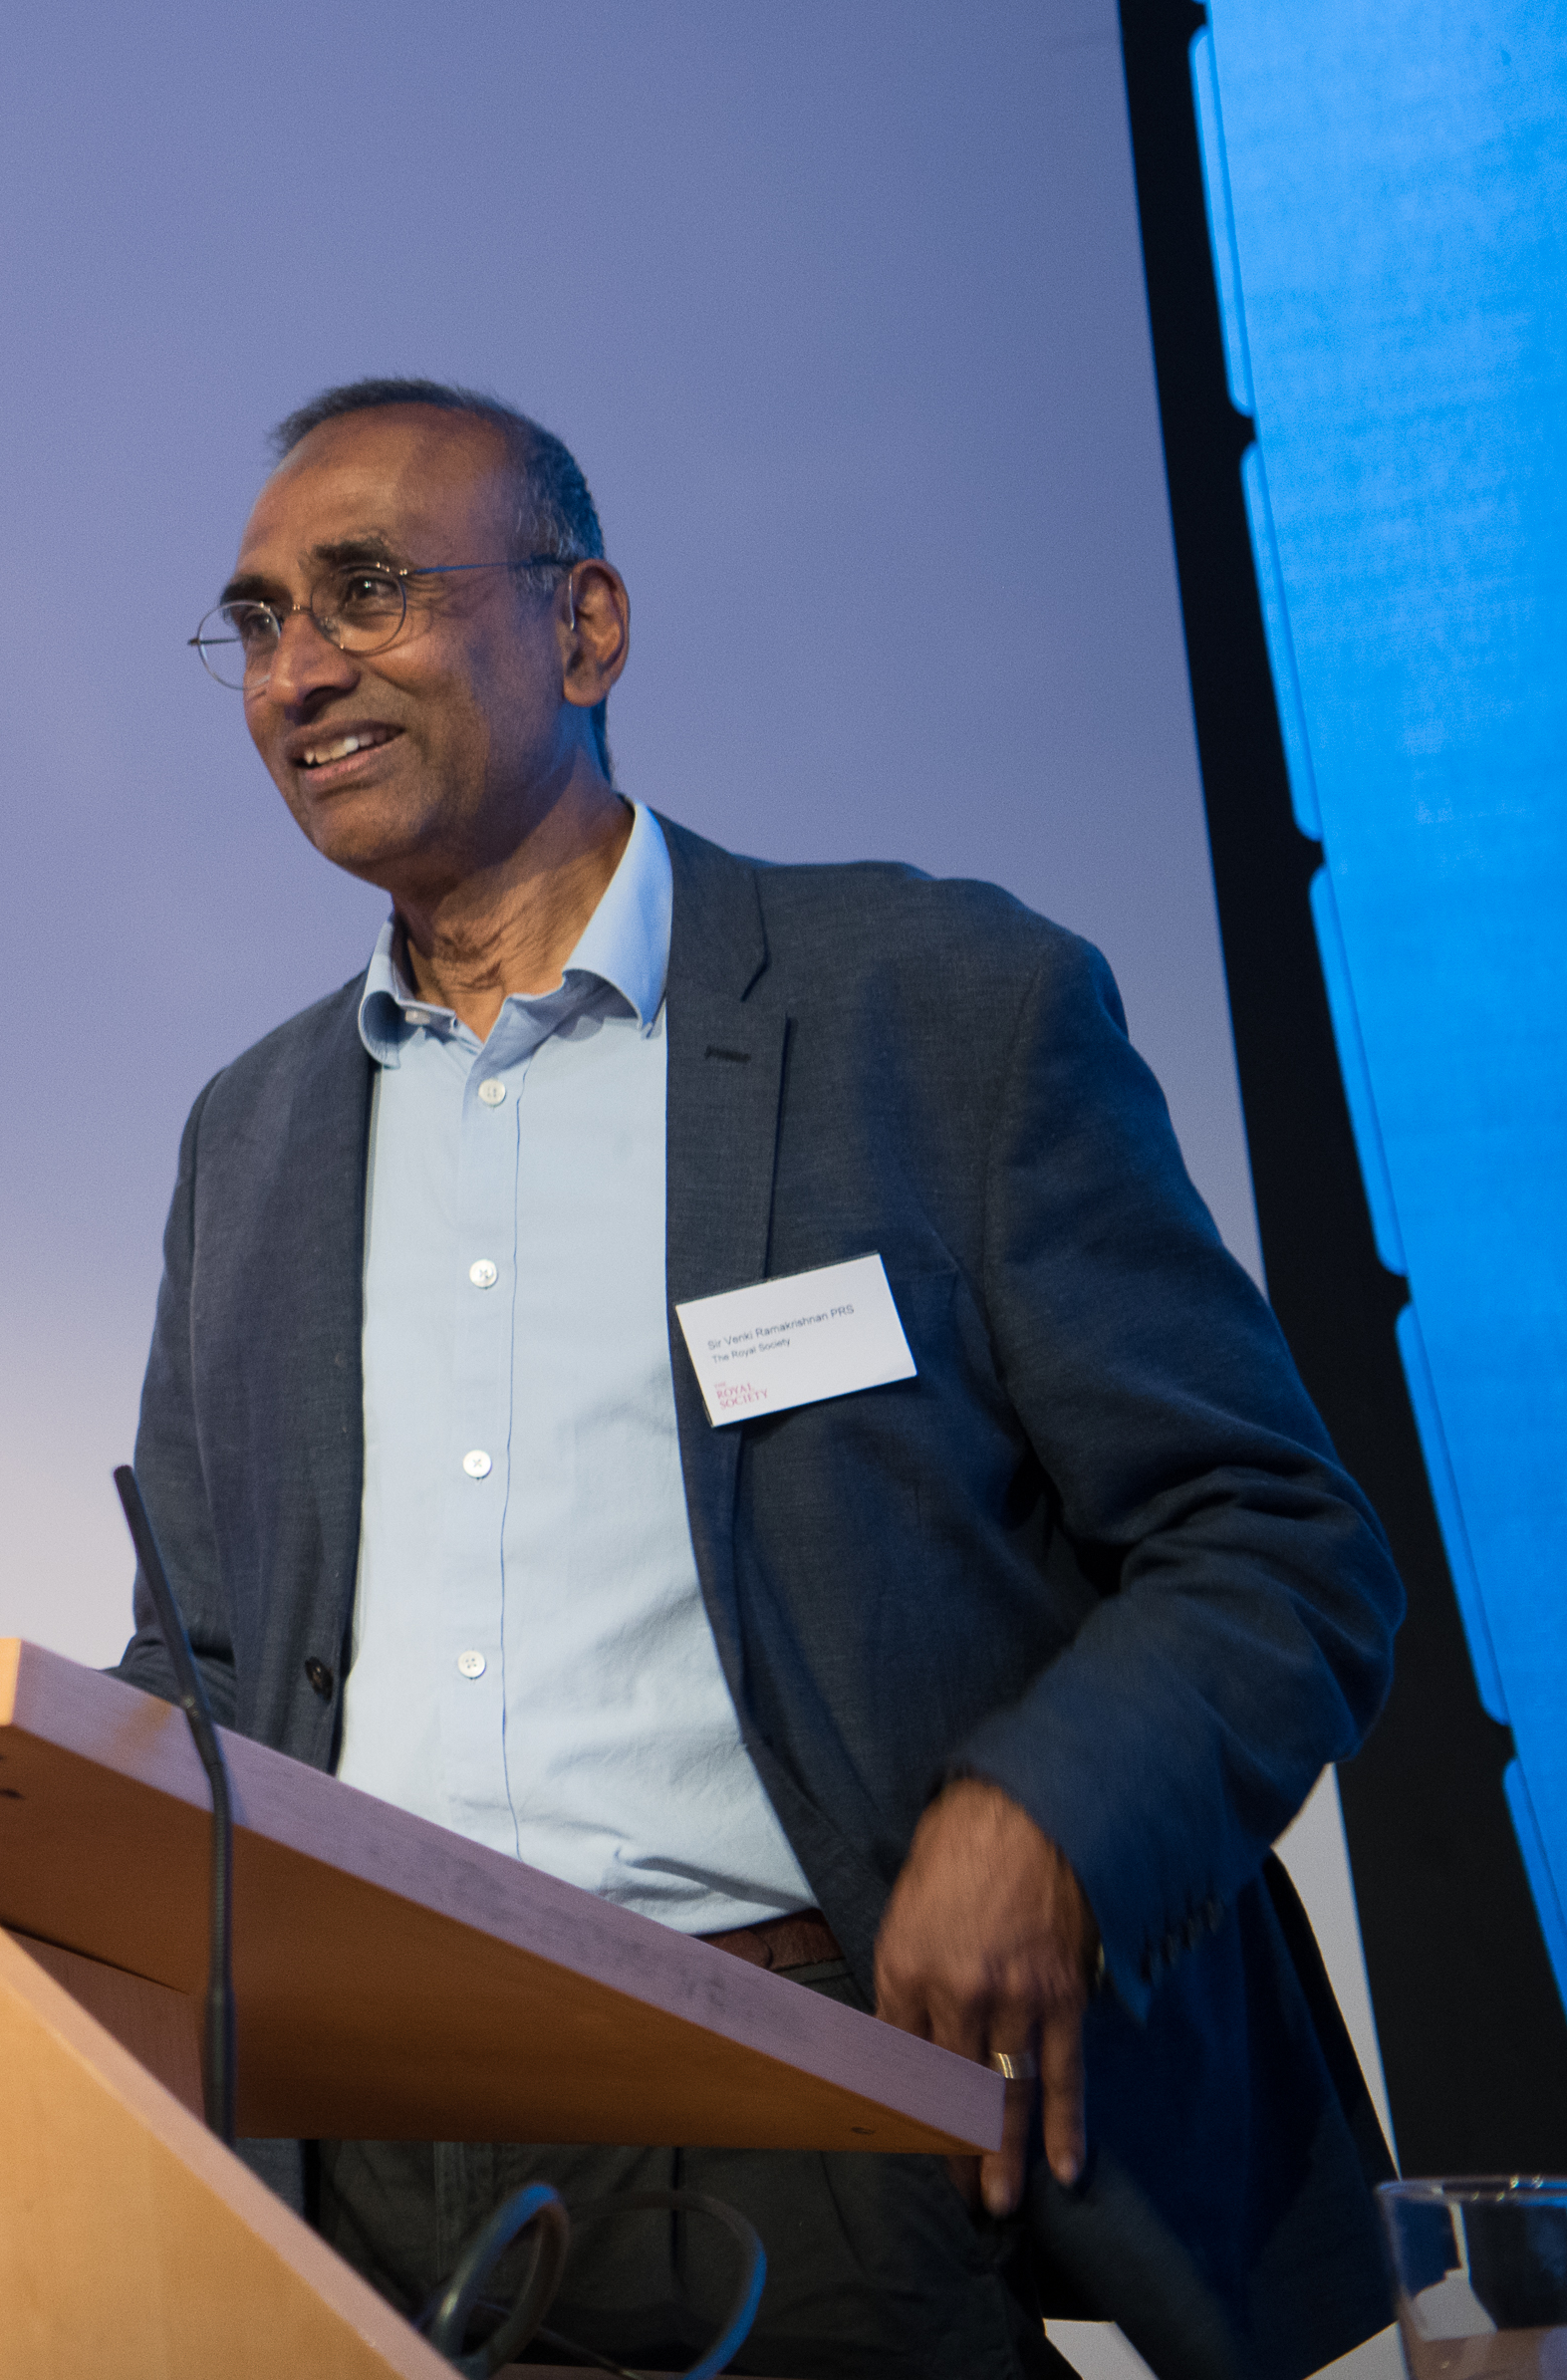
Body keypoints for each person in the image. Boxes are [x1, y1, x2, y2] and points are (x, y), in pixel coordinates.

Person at [117, 379, 1402, 2380]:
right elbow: (198, 1661)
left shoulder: (932, 1007)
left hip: (801, 2127)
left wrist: (1042, 1810)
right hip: (354, 2171)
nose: (298, 667)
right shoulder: (252, 1132)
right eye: (260, 617)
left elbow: (1275, 1545)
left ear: (584, 625)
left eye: (364, 587)